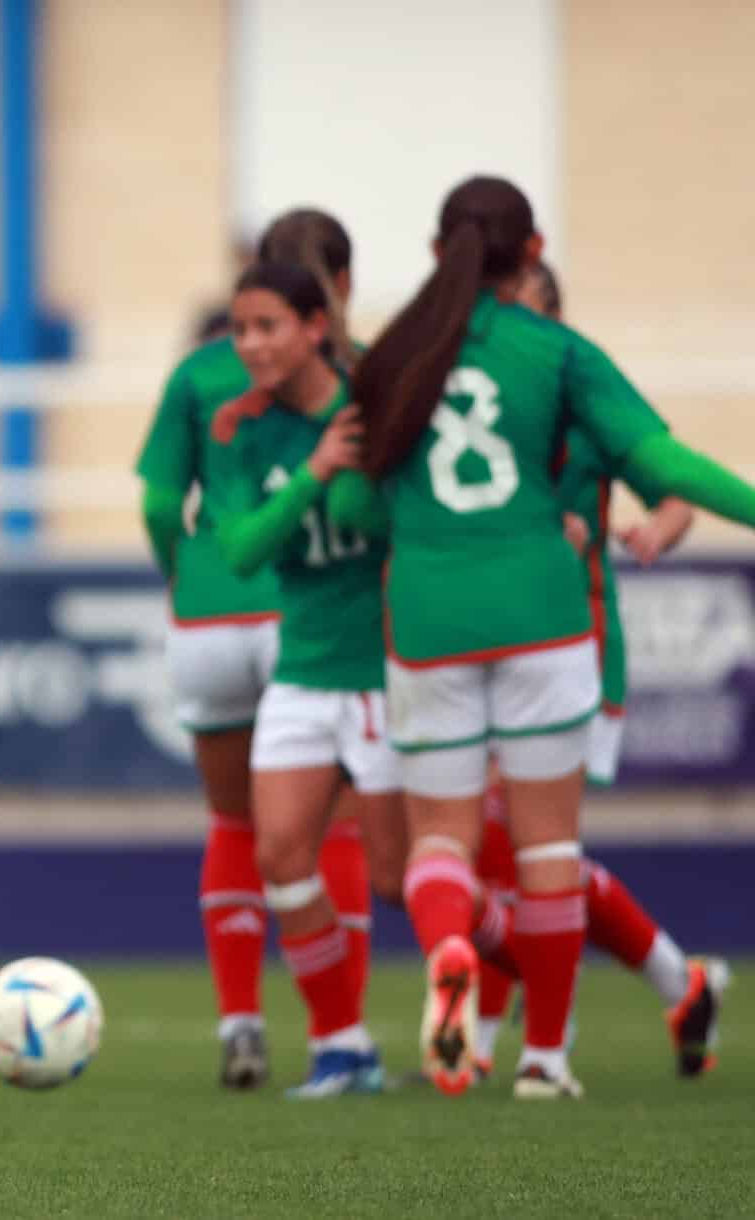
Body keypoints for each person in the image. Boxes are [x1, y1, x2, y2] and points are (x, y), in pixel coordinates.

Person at [332, 174, 755, 1099]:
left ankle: (453, 948)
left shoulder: (395, 358)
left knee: (440, 842)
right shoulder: (557, 353)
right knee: (544, 849)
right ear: (533, 253)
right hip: (543, 615)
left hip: (430, 622)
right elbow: (662, 464)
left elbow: (354, 502)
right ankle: (544, 1062)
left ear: (437, 251)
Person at [468, 261, 728, 1079]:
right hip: (483, 640)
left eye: (525, 309)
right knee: (506, 844)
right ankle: (678, 980)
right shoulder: (472, 393)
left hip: (568, 642)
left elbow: (676, 482)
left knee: (528, 843)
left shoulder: (578, 388)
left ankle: (523, 1034)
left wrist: (657, 527)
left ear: (555, 318)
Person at [135, 208, 373, 1089]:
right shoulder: (346, 375)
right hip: (305, 616)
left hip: (206, 611)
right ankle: (340, 1032)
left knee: (236, 822)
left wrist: (180, 576)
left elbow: (162, 506)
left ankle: (240, 1019)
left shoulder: (202, 372)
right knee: (332, 830)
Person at [205, 262, 389, 1098]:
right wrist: (317, 469)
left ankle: (534, 961)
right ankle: (344, 1046)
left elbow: (385, 522)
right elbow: (241, 550)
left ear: (317, 326)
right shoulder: (242, 430)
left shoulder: (380, 402)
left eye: (266, 326)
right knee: (280, 853)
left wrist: (353, 463)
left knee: (401, 876)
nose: (249, 344)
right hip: (306, 668)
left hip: (388, 670)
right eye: (240, 329)